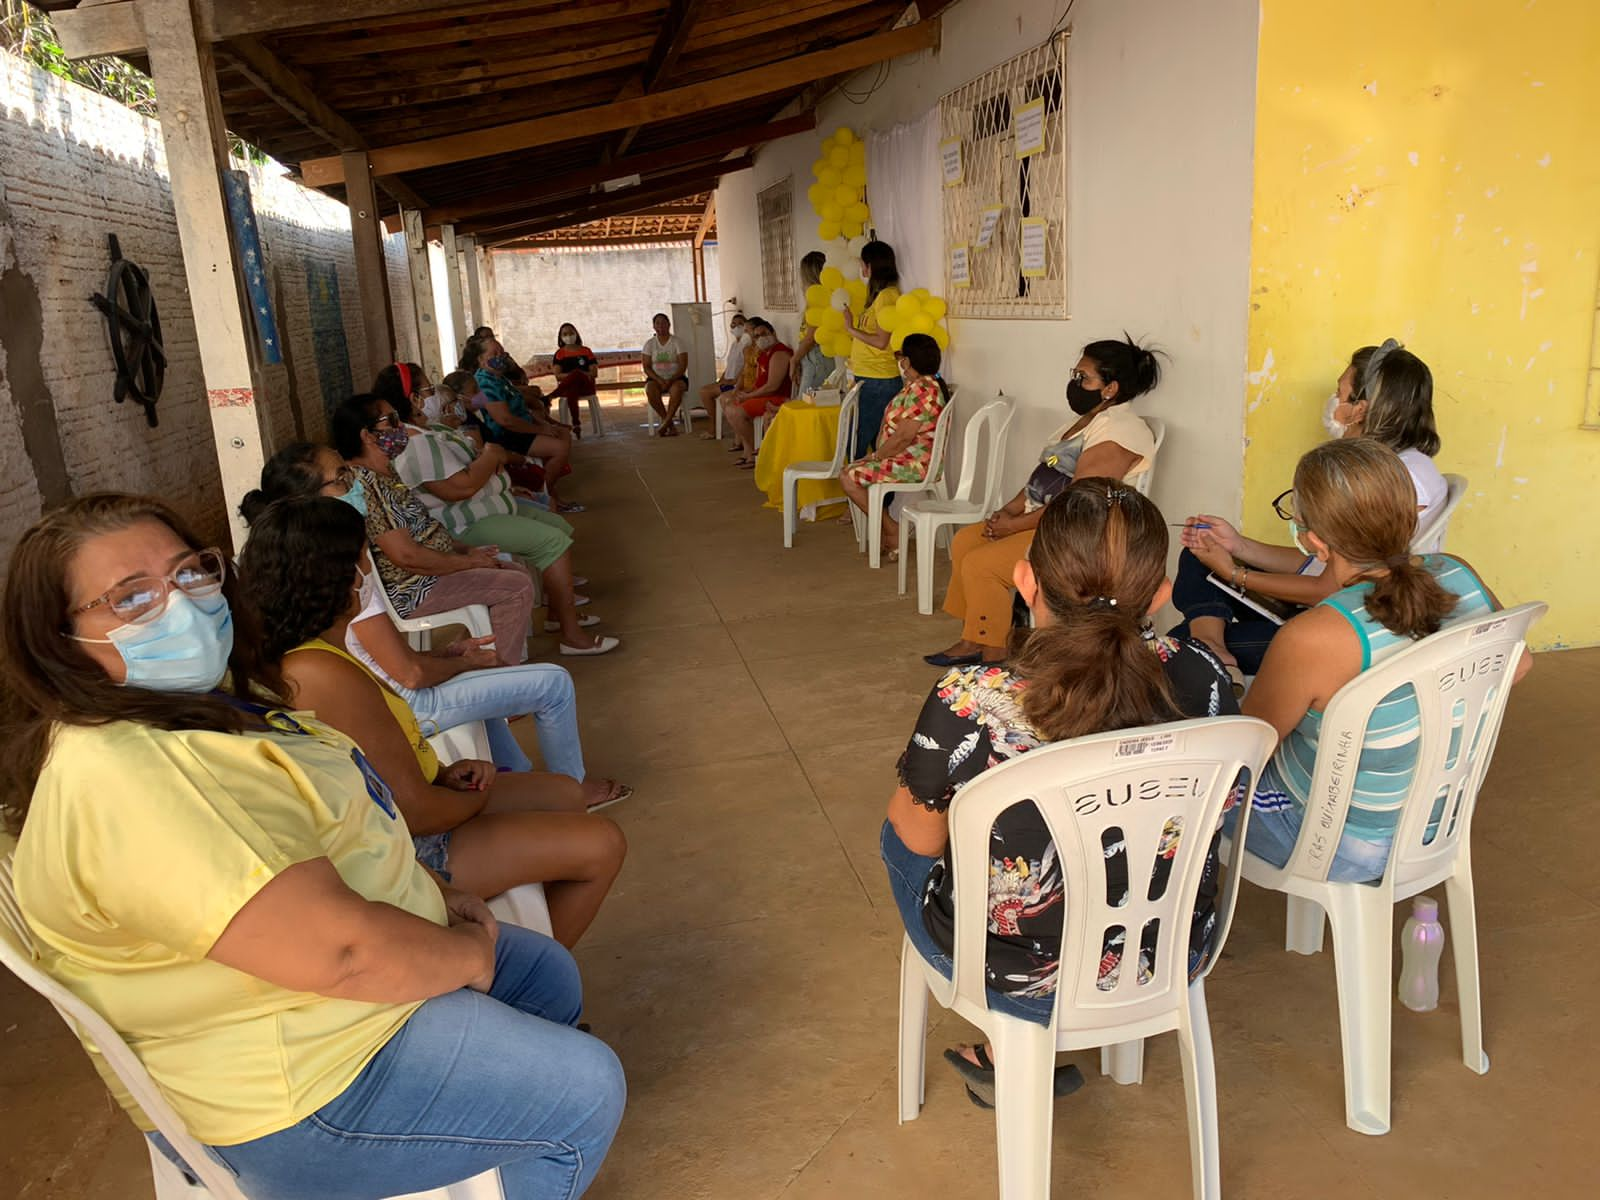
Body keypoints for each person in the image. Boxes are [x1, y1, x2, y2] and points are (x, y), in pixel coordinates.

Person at [0, 493, 624, 1199]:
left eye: (189, 574)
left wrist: (430, 890)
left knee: (544, 976)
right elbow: (345, 953)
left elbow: (326, 834)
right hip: (298, 1087)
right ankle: (540, 1129)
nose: (180, 607)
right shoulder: (127, 778)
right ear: (57, 640)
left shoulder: (194, 711)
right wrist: (466, 955)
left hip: (313, 1009)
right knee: (586, 1087)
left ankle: (509, 1133)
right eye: (130, 598)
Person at [882, 480, 1238, 1107]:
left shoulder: (972, 697)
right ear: (1160, 594)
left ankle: (1006, 1046)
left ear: (1026, 580)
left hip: (1016, 972)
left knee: (902, 831)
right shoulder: (1202, 674)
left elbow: (918, 838)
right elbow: (1226, 812)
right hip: (1169, 948)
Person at [240, 496, 628, 946]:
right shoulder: (318, 672)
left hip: (424, 799)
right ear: (339, 575)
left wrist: (446, 773)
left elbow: (385, 761)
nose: (371, 573)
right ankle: (529, 977)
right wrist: (474, 799)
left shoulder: (328, 646)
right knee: (603, 843)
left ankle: (527, 937)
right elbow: (416, 811)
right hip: (408, 850)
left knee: (563, 792)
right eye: (366, 559)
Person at [241, 446, 630, 803]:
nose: (356, 483)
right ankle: (573, 791)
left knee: (487, 689)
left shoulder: (305, 556)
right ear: (309, 497)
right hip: (401, 708)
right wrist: (465, 663)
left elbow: (380, 656)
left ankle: (521, 780)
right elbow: (408, 675)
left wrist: (447, 654)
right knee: (554, 684)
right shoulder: (339, 572)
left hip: (389, 693)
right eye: (342, 478)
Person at [1237, 438, 1527, 881]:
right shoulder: (1459, 573)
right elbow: (1519, 664)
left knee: (1186, 798)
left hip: (1336, 844)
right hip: (1434, 824)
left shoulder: (1314, 637)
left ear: (1316, 543)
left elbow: (1247, 745)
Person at [1171, 339, 1446, 677]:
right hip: (1333, 603)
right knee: (1199, 555)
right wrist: (1237, 546)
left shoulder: (1385, 481)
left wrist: (1234, 573)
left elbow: (1328, 586)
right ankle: (1213, 647)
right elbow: (1322, 563)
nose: (1333, 402)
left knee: (1180, 643)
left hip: (1345, 623)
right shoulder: (1396, 467)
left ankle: (1210, 648)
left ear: (1361, 409)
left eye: (1340, 392)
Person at [928, 336, 1161, 667]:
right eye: (1075, 374)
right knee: (967, 540)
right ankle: (977, 636)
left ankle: (994, 654)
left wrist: (1015, 526)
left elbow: (1078, 502)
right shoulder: (1086, 422)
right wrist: (1010, 509)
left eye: (1084, 378)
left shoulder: (1121, 431)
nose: (1075, 383)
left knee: (983, 564)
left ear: (1110, 388)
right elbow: (1045, 476)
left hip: (1081, 534)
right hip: (1047, 519)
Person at [383, 392, 618, 656]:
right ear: (413, 398)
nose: (436, 394)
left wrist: (494, 465)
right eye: (429, 390)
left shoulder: (431, 430)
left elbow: (476, 460)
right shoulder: (415, 443)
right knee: (553, 541)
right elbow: (460, 487)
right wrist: (491, 456)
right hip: (464, 523)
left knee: (557, 526)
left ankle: (556, 612)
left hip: (483, 510)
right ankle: (571, 635)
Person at [331, 393, 538, 667]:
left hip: (429, 574)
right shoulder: (368, 486)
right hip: (415, 587)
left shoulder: (387, 474)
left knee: (514, 573)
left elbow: (422, 528)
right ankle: (501, 677)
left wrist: (464, 550)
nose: (401, 427)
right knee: (516, 586)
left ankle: (488, 660)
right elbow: (406, 556)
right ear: (367, 436)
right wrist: (467, 562)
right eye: (391, 420)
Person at [837, 333, 950, 552]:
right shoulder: (917, 385)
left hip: (914, 464)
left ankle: (891, 530)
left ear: (909, 360)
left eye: (902, 357)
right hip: (903, 458)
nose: (900, 362)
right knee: (851, 471)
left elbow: (903, 437)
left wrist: (876, 456)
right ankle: (888, 530)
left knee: (849, 477)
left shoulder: (924, 389)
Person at [464, 335, 580, 512]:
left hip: (520, 428)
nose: (501, 356)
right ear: (480, 359)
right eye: (494, 353)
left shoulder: (498, 378)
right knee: (559, 447)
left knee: (563, 434)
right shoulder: (485, 382)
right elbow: (505, 420)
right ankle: (543, 492)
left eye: (501, 352)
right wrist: (541, 429)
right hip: (507, 435)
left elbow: (521, 408)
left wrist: (545, 424)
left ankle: (547, 489)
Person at [840, 240, 903, 459]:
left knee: (859, 441)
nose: (861, 270)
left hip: (879, 381)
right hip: (869, 378)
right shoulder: (878, 296)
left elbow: (880, 342)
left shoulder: (887, 296)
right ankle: (866, 491)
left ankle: (858, 489)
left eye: (862, 264)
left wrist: (850, 328)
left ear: (871, 266)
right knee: (867, 441)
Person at [724, 318, 794, 467]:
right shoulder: (763, 354)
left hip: (776, 398)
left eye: (764, 333)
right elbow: (758, 383)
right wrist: (742, 393)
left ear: (773, 332)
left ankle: (757, 452)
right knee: (729, 403)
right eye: (756, 336)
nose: (760, 338)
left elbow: (772, 386)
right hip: (763, 395)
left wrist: (748, 396)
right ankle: (749, 451)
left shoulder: (779, 353)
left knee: (734, 411)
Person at [695, 312, 748, 440]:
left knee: (705, 393)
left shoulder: (747, 345)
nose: (736, 327)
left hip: (735, 384)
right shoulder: (734, 344)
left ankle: (714, 428)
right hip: (728, 381)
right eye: (734, 324)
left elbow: (746, 367)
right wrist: (722, 379)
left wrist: (734, 381)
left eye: (740, 324)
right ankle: (714, 425)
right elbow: (730, 366)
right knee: (704, 390)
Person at [790, 252, 835, 398]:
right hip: (811, 360)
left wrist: (794, 359)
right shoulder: (817, 300)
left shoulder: (819, 300)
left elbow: (811, 338)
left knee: (807, 405)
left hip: (817, 360)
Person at [641, 311, 690, 436]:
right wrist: (658, 380)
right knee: (650, 390)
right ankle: (669, 424)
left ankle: (666, 422)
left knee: (676, 390)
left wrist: (671, 379)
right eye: (657, 323)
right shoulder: (650, 344)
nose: (661, 326)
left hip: (677, 378)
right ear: (654, 326)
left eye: (663, 323)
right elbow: (646, 367)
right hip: (656, 379)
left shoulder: (677, 342)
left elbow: (683, 365)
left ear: (669, 325)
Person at [549, 322, 600, 436]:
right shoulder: (559, 354)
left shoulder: (586, 351)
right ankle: (576, 423)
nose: (569, 336)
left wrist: (579, 374)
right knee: (573, 387)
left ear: (576, 334)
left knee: (576, 374)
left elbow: (594, 373)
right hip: (570, 388)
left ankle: (553, 395)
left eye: (571, 333)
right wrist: (574, 376)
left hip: (586, 386)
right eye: (565, 334)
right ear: (561, 337)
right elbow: (557, 375)